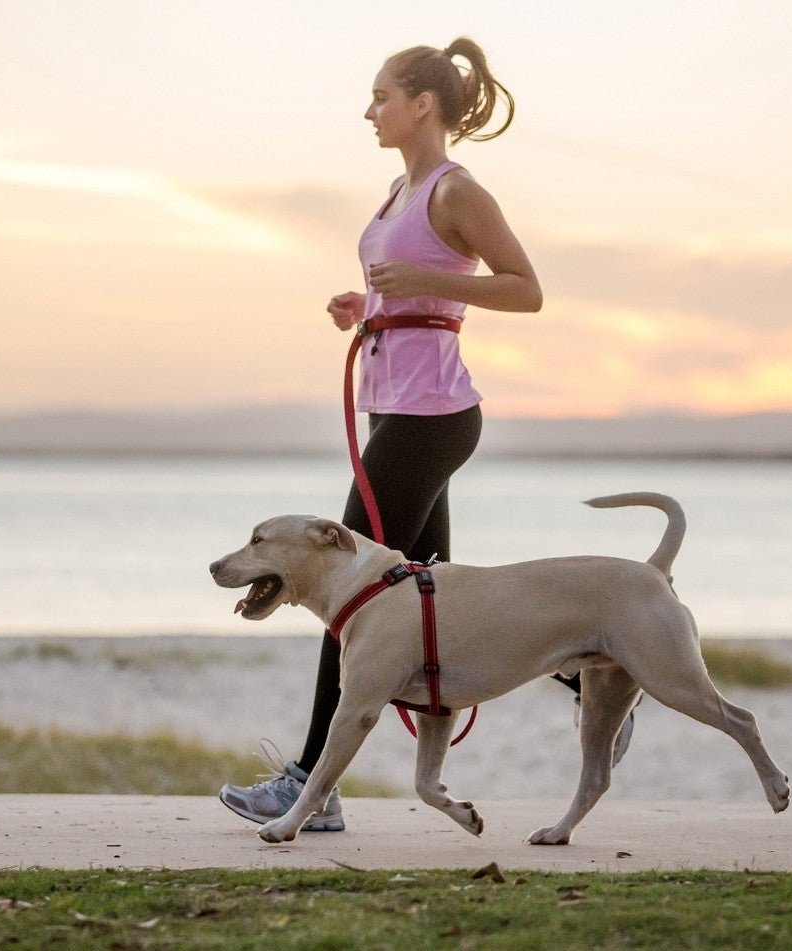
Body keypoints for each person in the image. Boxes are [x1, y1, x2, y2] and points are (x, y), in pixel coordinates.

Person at [220, 37, 632, 831]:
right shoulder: (395, 191)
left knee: (346, 595)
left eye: (380, 96)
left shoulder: (455, 191)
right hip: (395, 407)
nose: (369, 110)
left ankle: (309, 784)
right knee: (431, 604)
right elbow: (408, 298)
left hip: (431, 417)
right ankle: (592, 675)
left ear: (422, 104)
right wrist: (367, 307)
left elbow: (526, 290)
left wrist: (425, 282)